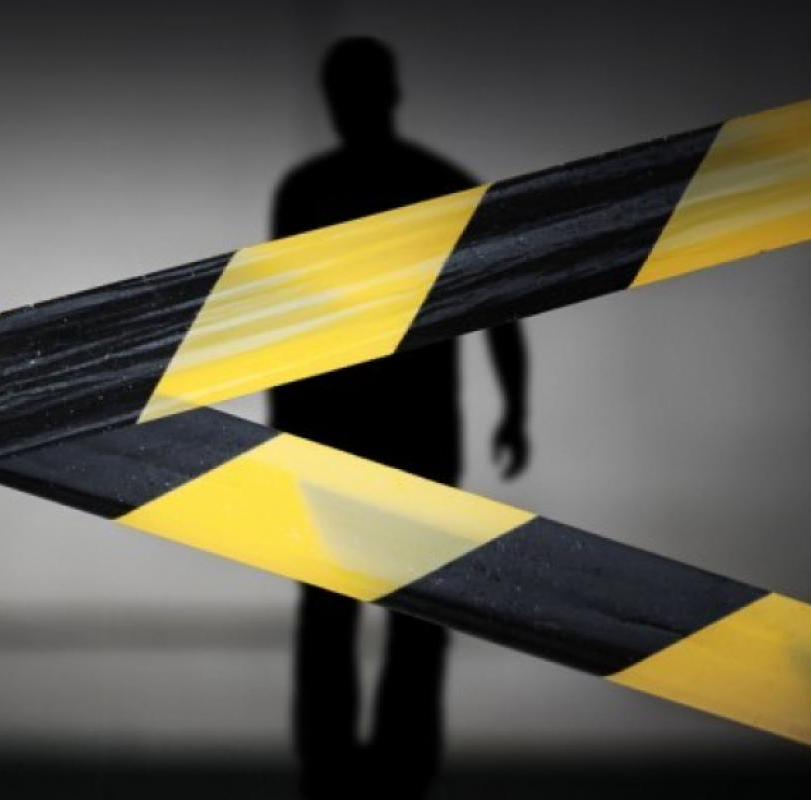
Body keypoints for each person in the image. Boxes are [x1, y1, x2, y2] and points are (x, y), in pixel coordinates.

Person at [269, 37, 530, 798]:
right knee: (408, 609)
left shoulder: (310, 190)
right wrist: (514, 408)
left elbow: (276, 317)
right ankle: (396, 770)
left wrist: (283, 424)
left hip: (335, 430)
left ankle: (336, 768)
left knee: (336, 607)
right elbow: (501, 307)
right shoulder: (441, 186)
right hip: (412, 430)